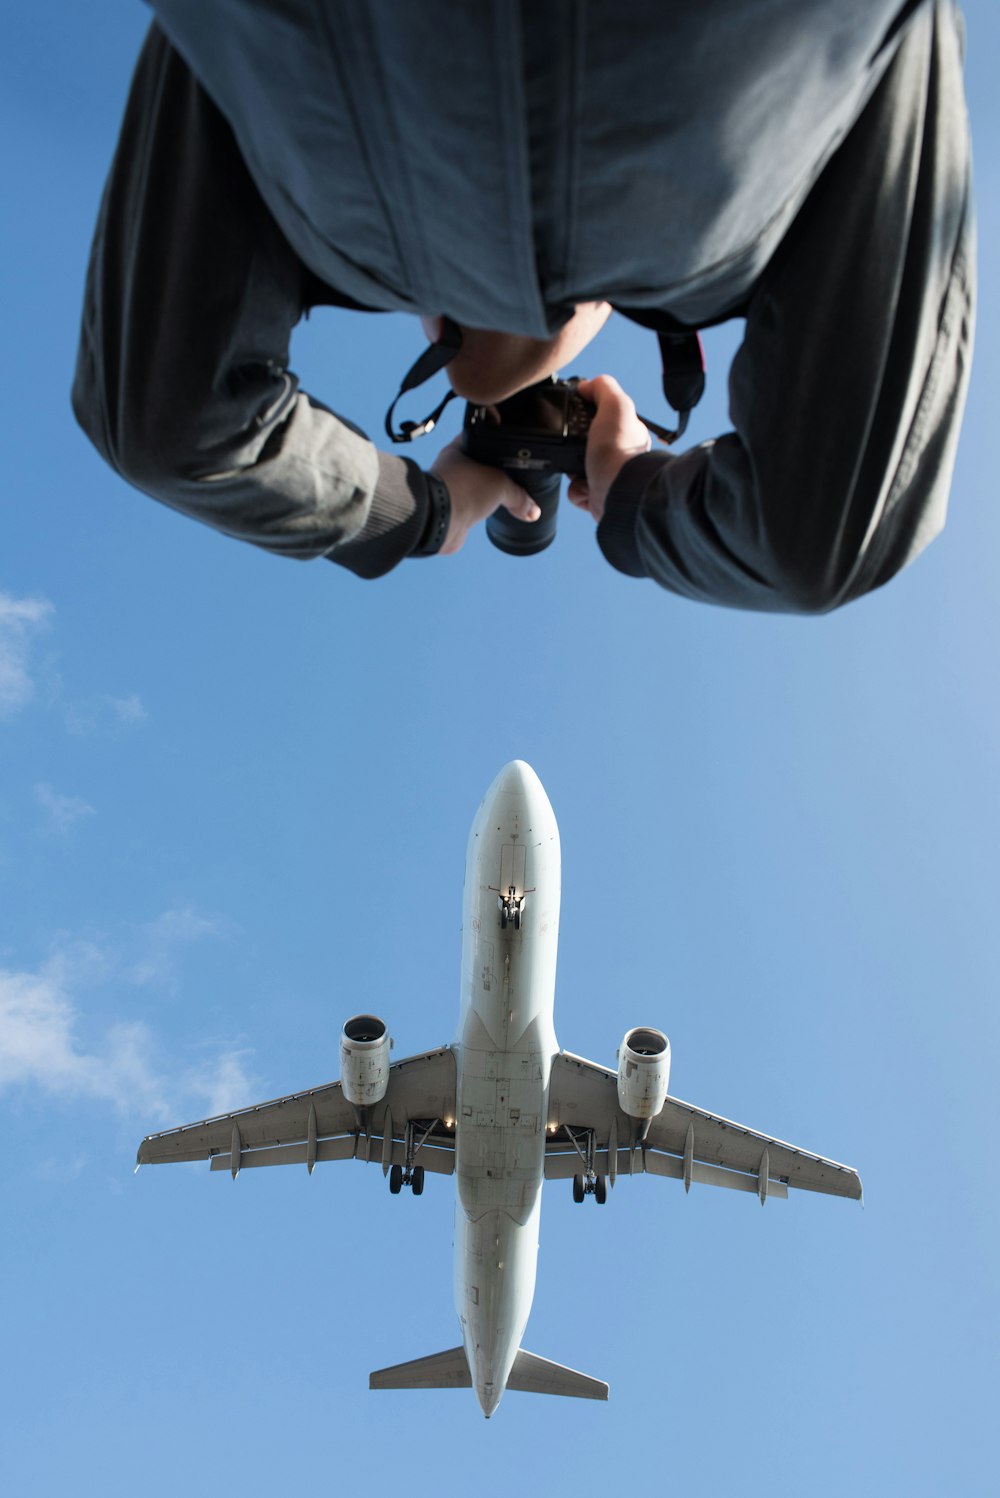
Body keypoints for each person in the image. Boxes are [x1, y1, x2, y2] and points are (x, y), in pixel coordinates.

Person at [72, 1, 975, 613]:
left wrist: (423, 510)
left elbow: (164, 416)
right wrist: (625, 489)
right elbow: (821, 536)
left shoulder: (267, 115)